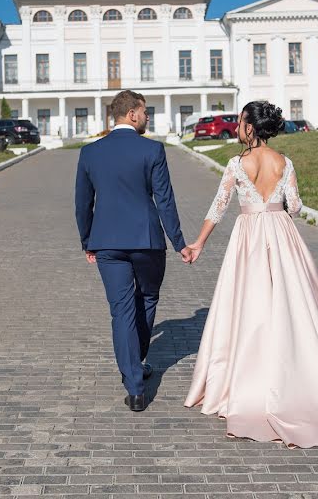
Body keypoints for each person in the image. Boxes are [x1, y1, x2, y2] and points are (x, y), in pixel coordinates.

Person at [183, 100, 318, 447]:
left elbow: (219, 207)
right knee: (292, 300)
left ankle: (250, 378)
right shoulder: (284, 163)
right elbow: (297, 207)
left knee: (250, 305)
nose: (239, 127)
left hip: (249, 237)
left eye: (241, 122)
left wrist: (198, 244)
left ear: (250, 128)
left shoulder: (237, 164)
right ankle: (297, 373)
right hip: (282, 234)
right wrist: (276, 205)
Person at [75, 89, 193, 412]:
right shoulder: (152, 150)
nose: (147, 117)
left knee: (122, 311)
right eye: (145, 112)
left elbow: (83, 204)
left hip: (107, 244)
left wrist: (87, 240)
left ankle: (135, 384)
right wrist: (179, 242)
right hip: (147, 242)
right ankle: (136, 365)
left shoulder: (90, 153)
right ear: (131, 114)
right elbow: (164, 201)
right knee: (148, 298)